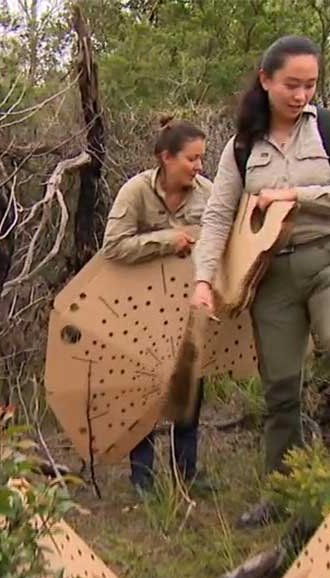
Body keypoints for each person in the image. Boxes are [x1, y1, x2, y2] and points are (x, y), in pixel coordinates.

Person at [189, 35, 330, 527]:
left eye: (310, 85)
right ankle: (282, 491)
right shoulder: (242, 147)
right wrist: (204, 279)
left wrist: (292, 194)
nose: (301, 95)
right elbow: (219, 217)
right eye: (291, 84)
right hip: (274, 276)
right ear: (266, 81)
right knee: (280, 389)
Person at [99, 116, 216, 496]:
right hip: (141, 307)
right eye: (191, 159)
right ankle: (143, 480)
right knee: (144, 393)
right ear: (166, 158)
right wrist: (168, 240)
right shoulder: (135, 192)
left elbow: (220, 244)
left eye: (201, 159)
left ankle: (188, 475)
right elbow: (113, 246)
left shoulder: (208, 193)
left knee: (189, 390)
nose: (198, 167)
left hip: (189, 306)